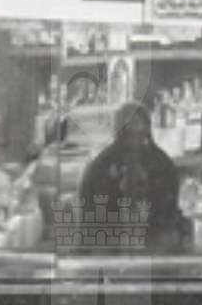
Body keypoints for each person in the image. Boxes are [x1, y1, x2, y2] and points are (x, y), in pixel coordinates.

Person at [75, 101, 190, 253]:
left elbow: (169, 217)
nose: (135, 142)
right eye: (128, 135)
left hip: (154, 250)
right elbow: (89, 224)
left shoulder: (162, 166)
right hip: (108, 250)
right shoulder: (100, 169)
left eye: (141, 135)